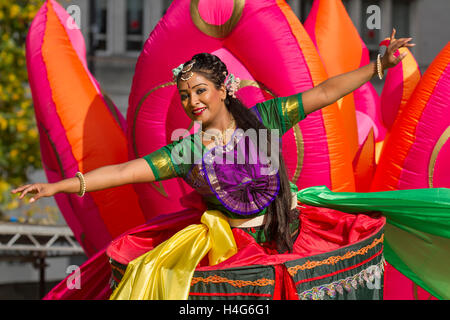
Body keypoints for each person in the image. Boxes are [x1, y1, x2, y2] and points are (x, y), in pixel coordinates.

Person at [12, 30, 415, 300]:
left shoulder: (267, 118)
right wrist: (58, 186)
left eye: (200, 90)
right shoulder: (186, 152)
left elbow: (324, 91)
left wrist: (378, 66)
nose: (192, 102)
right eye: (185, 95)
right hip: (230, 256)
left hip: (289, 238)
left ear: (224, 89)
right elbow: (122, 172)